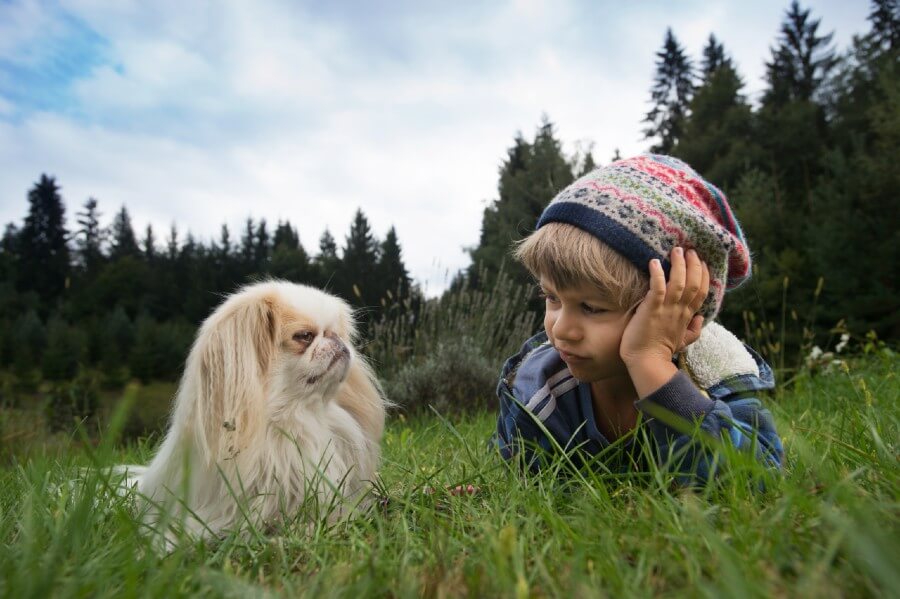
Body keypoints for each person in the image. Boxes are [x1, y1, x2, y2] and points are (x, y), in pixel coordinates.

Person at [495, 154, 783, 483]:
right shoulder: (539, 389)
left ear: (678, 304)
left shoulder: (716, 372)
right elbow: (526, 485)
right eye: (552, 298)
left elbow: (756, 480)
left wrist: (650, 361)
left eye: (591, 307)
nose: (561, 330)